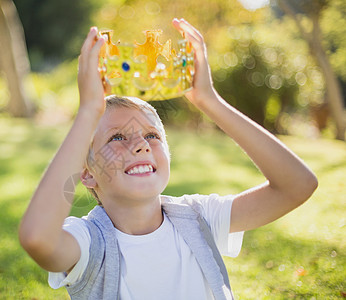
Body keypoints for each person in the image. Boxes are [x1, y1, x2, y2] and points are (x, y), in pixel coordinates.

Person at [18, 18, 318, 300]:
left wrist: (210, 101)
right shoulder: (88, 243)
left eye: (152, 136)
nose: (141, 146)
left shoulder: (198, 219)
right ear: (87, 173)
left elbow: (298, 185)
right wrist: (87, 114)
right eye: (117, 138)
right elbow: (37, 238)